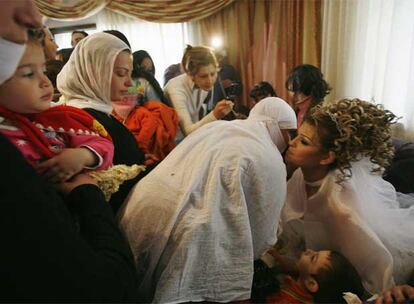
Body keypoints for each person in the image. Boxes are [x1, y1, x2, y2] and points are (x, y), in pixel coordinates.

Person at [0, 1, 138, 301]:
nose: (35, 14)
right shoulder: (66, 117)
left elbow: (100, 147)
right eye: (26, 73)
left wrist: (82, 158)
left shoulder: (60, 118)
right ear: (94, 71)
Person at [118, 97, 297, 303]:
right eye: (290, 132)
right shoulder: (270, 157)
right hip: (190, 233)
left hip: (145, 209)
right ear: (274, 125)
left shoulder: (218, 128)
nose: (290, 141)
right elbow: (261, 235)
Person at [279, 98, 414, 295]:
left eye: (304, 142)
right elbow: (291, 221)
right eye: (297, 136)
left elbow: (377, 277)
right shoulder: (301, 175)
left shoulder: (341, 208)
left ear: (327, 157)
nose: (291, 143)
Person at [0, 29, 114, 184]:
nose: (45, 82)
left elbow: (104, 145)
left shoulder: (56, 119)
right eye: (28, 74)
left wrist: (83, 156)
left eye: (44, 71)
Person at [57, 32, 147, 213]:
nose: (129, 83)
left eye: (130, 74)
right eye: (121, 74)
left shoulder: (99, 112)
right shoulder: (82, 120)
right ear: (95, 72)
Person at [164, 45, 234, 141]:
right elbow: (188, 132)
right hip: (177, 142)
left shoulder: (204, 85)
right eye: (203, 76)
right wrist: (215, 115)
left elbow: (198, 120)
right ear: (191, 75)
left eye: (213, 74)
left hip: (197, 136)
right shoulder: (176, 90)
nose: (210, 80)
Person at [265, 249, 364, 304]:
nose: (309, 250)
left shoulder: (285, 301)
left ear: (311, 283)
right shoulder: (303, 285)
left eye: (313, 258)